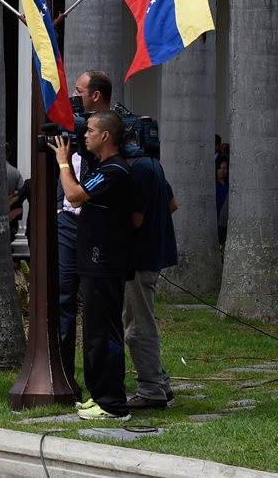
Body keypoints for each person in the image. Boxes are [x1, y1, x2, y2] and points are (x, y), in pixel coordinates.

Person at [50, 110, 134, 420]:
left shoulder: (113, 170)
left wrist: (62, 159)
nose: (85, 135)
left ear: (106, 136)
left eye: (91, 130)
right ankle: (99, 394)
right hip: (95, 261)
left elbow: (72, 195)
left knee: (104, 333)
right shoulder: (105, 167)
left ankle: (113, 403)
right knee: (95, 332)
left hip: (105, 262)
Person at [57, 70, 114, 382]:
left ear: (95, 95)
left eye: (78, 91)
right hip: (67, 222)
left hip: (95, 225)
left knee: (96, 304)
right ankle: (64, 376)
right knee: (63, 298)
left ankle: (101, 380)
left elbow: (80, 193)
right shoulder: (72, 128)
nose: (73, 97)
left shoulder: (110, 131)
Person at [123, 153, 178, 410]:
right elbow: (172, 204)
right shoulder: (153, 164)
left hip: (138, 261)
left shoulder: (138, 170)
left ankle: (151, 388)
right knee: (140, 321)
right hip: (150, 257)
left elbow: (135, 219)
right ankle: (159, 382)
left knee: (138, 325)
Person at [215, 155, 229, 246]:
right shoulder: (213, 186)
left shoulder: (231, 185)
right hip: (217, 222)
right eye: (219, 168)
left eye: (224, 168)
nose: (222, 170)